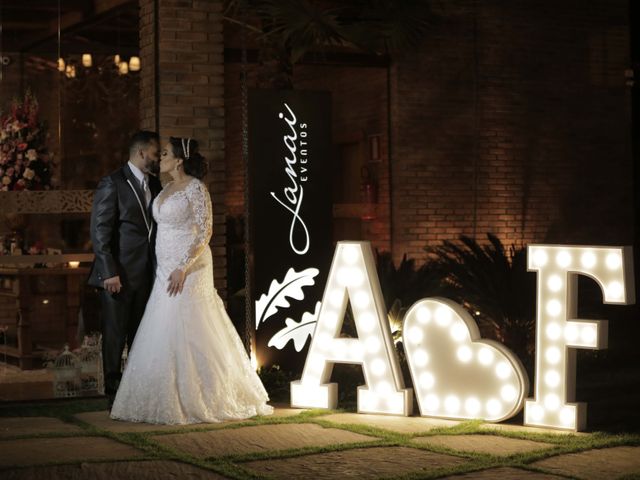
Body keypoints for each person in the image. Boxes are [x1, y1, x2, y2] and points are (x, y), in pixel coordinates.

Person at [110, 137, 273, 424]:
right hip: (164, 268)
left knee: (192, 325)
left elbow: (205, 231)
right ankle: (161, 393)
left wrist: (184, 267)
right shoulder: (166, 188)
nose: (159, 158)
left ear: (179, 160)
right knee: (163, 324)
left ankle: (202, 395)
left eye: (164, 154)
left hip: (190, 267)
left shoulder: (197, 189)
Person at [88, 131, 161, 409]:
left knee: (140, 335)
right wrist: (108, 271)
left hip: (148, 273)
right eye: (155, 153)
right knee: (115, 334)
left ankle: (136, 391)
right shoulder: (112, 182)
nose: (157, 159)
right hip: (118, 275)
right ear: (141, 153)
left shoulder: (155, 184)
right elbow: (100, 231)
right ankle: (112, 394)